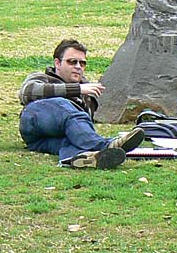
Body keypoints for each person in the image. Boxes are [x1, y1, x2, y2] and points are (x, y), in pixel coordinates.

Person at [18, 39, 145, 169]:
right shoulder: (42, 77)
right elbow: (26, 93)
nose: (78, 66)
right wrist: (77, 89)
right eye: (72, 62)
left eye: (82, 63)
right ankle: (105, 146)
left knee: (74, 142)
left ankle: (83, 158)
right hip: (34, 124)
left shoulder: (88, 92)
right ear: (57, 63)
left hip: (46, 141)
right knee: (63, 106)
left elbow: (81, 125)